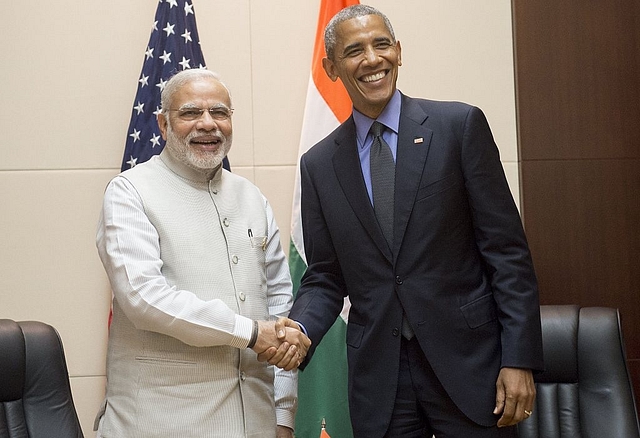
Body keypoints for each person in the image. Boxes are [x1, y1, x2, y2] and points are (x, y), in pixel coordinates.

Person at [273, 5, 544, 438]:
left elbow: (507, 253)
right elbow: (325, 275)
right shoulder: (319, 164)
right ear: (331, 68)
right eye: (354, 50)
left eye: (382, 45)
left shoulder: (458, 127)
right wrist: (301, 328)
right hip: (381, 381)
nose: (372, 59)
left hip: (472, 366)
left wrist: (519, 358)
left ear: (399, 52)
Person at [95, 69, 310, 438]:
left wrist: (284, 414)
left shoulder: (251, 198)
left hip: (257, 422)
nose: (208, 124)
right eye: (191, 113)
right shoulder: (130, 192)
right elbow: (144, 298)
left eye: (220, 113)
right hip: (161, 424)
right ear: (163, 124)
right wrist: (249, 332)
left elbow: (279, 304)